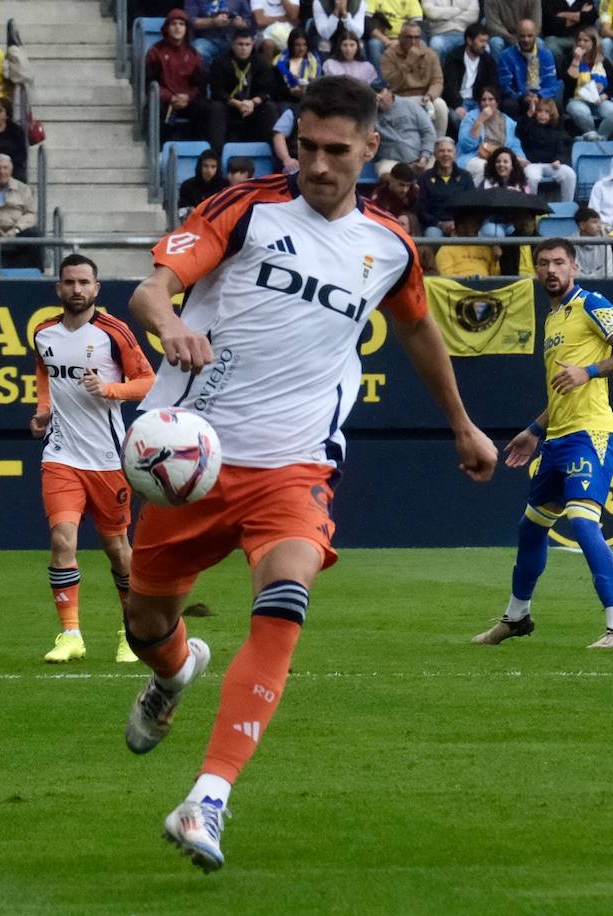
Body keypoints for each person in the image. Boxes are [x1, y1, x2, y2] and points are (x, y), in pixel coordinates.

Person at [120, 75, 497, 872]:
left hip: (295, 465)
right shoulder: (246, 208)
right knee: (147, 626)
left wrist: (462, 424)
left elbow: (420, 332)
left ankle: (208, 797)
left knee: (285, 600)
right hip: (191, 461)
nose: (319, 164)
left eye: (337, 150)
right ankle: (177, 671)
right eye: (309, 147)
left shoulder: (389, 247)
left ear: (369, 148)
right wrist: (170, 328)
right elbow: (153, 290)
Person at [473, 236, 613, 647]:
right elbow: (561, 389)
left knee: (583, 521)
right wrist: (535, 430)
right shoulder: (552, 319)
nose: (551, 270)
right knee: (530, 528)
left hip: (591, 432)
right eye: (544, 263)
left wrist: (589, 370)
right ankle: (516, 618)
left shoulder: (592, 304)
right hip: (557, 438)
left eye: (559, 263)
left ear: (574, 267)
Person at [29, 254, 156, 665]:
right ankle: (70, 634)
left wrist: (110, 389)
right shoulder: (43, 332)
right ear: (59, 288)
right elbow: (44, 372)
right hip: (61, 454)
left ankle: (130, 632)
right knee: (62, 539)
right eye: (70, 282)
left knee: (118, 549)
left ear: (96, 288)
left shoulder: (114, 333)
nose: (77, 290)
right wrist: (43, 409)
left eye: (85, 282)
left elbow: (148, 382)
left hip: (107, 458)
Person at [145, 9, 214, 145]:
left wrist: (188, 97)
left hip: (188, 100)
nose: (177, 27)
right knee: (155, 107)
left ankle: (197, 149)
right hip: (166, 100)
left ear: (186, 29)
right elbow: (150, 83)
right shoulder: (155, 52)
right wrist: (170, 97)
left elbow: (199, 85)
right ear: (167, 28)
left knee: (207, 108)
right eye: (174, 24)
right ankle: (157, 150)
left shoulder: (193, 54)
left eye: (181, 24)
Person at [208, 29, 278, 149]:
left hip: (253, 107)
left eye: (247, 45)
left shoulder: (261, 62)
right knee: (216, 107)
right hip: (230, 106)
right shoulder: (220, 62)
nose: (244, 48)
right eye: (240, 44)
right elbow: (217, 91)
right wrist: (237, 104)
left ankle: (276, 154)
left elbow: (268, 90)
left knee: (270, 107)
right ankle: (216, 155)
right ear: (233, 45)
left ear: (253, 45)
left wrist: (253, 102)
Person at [381, 19, 449, 139]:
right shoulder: (389, 54)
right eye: (409, 37)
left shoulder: (430, 54)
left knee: (441, 104)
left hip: (424, 97)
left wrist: (430, 95)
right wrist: (408, 62)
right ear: (400, 37)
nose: (413, 41)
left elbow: (437, 81)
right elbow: (392, 84)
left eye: (417, 37)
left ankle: (438, 144)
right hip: (400, 98)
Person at [456, 85, 523, 181]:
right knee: (485, 167)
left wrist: (520, 158)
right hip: (474, 156)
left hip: (500, 159)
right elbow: (466, 146)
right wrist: (480, 119)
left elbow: (515, 145)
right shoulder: (470, 117)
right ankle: (474, 195)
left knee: (517, 168)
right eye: (483, 100)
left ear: (497, 102)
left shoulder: (509, 122)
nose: (487, 103)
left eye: (491, 99)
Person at [515, 95, 576, 200]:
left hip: (551, 165)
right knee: (531, 178)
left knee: (570, 174)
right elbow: (520, 132)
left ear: (552, 115)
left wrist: (558, 160)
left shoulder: (557, 131)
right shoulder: (529, 126)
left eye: (546, 112)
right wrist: (529, 115)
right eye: (540, 111)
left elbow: (562, 149)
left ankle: (567, 205)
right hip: (532, 164)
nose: (542, 115)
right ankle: (531, 208)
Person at [496, 18, 560, 118]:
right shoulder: (506, 56)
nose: (526, 40)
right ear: (516, 35)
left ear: (536, 35)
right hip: (519, 98)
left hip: (541, 97)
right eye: (522, 36)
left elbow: (551, 84)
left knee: (556, 105)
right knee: (508, 105)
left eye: (530, 36)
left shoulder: (546, 54)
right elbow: (505, 86)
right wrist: (523, 97)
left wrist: (539, 96)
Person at [373, 78, 437, 177]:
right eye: (375, 93)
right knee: (387, 175)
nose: (378, 96)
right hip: (391, 161)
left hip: (419, 156)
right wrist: (372, 110)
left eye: (381, 91)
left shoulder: (410, 105)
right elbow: (365, 135)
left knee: (437, 172)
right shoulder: (370, 114)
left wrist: (424, 157)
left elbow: (428, 131)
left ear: (390, 91)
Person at [565, 26, 613, 141]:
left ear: (594, 43)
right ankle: (592, 138)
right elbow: (568, 86)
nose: (581, 43)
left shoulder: (604, 62)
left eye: (585, 40)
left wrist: (604, 96)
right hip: (577, 100)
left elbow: (612, 86)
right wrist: (576, 60)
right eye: (579, 40)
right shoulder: (571, 58)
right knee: (582, 111)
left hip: (598, 100)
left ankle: (600, 138)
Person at [441, 22, 496, 131]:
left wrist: (486, 104)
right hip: (458, 102)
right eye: (481, 41)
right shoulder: (454, 57)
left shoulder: (488, 60)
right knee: (458, 119)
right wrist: (457, 105)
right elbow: (448, 85)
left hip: (478, 101)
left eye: (486, 41)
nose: (484, 45)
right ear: (469, 40)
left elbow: (493, 85)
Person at [417, 136, 473, 236]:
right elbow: (421, 210)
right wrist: (439, 224)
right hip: (434, 226)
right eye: (441, 151)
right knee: (432, 234)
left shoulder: (466, 177)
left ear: (455, 154)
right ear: (435, 154)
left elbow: (472, 206)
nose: (446, 154)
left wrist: (457, 224)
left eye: (449, 151)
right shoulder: (424, 178)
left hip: (459, 226)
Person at [186, 0, 254, 68]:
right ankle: (210, 75)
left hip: (232, 40)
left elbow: (249, 22)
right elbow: (192, 21)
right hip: (207, 39)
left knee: (245, 48)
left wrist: (240, 23)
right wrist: (212, 22)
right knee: (198, 50)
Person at [541, 0, 598, 70]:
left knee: (586, 44)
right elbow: (550, 22)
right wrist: (580, 15)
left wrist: (563, 15)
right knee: (550, 48)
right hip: (555, 37)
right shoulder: (549, 2)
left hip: (579, 38)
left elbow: (591, 17)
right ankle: (557, 76)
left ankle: (582, 76)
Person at [275, 28, 322, 109]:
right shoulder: (280, 60)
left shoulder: (313, 61)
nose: (301, 49)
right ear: (291, 45)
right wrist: (290, 91)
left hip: (308, 99)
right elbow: (275, 85)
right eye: (297, 45)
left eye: (304, 45)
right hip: (284, 98)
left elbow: (316, 83)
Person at [369, 159, 421, 233]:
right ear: (391, 179)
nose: (405, 190)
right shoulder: (379, 195)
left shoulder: (413, 192)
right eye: (401, 185)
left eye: (408, 186)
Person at [178, 149, 229, 218]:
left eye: (213, 167)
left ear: (218, 168)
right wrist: (189, 210)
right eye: (205, 166)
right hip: (193, 224)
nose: (209, 170)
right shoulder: (187, 186)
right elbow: (180, 212)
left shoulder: (225, 186)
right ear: (200, 167)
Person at [570, 204, 613, 276]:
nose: (599, 226)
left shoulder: (605, 244)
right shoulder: (569, 244)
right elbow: (571, 272)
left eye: (599, 222)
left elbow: (609, 272)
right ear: (582, 225)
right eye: (594, 222)